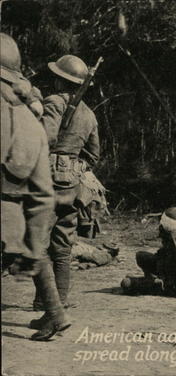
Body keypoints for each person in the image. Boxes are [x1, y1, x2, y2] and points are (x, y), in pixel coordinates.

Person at [0, 32, 71, 340]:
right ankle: (56, 313)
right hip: (15, 232)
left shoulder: (51, 106)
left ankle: (55, 313)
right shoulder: (32, 124)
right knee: (49, 249)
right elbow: (43, 198)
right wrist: (30, 246)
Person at [32, 54, 100, 310]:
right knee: (61, 246)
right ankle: (56, 301)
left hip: (46, 180)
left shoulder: (54, 102)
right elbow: (93, 155)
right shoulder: (90, 115)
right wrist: (71, 167)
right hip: (72, 184)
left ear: (60, 81)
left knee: (36, 244)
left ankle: (48, 305)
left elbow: (45, 139)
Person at [120, 207, 176, 301]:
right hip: (175, 272)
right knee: (141, 256)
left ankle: (156, 284)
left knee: (126, 283)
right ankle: (151, 280)